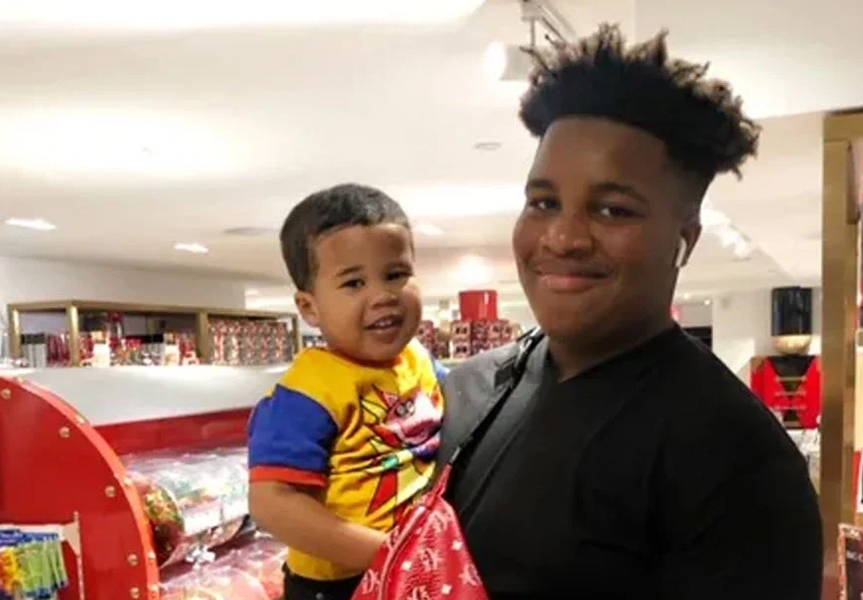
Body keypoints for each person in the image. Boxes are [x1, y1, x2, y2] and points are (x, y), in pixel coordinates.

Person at [438, 25, 823, 599]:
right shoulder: (474, 389)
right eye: (543, 202)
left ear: (683, 240)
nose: (563, 237)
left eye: (613, 210)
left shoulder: (733, 460)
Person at [248, 184, 445, 600]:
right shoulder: (308, 391)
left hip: (416, 566)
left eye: (396, 274)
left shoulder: (419, 359)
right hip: (337, 586)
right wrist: (389, 553)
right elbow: (272, 502)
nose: (383, 296)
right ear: (310, 308)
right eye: (354, 282)